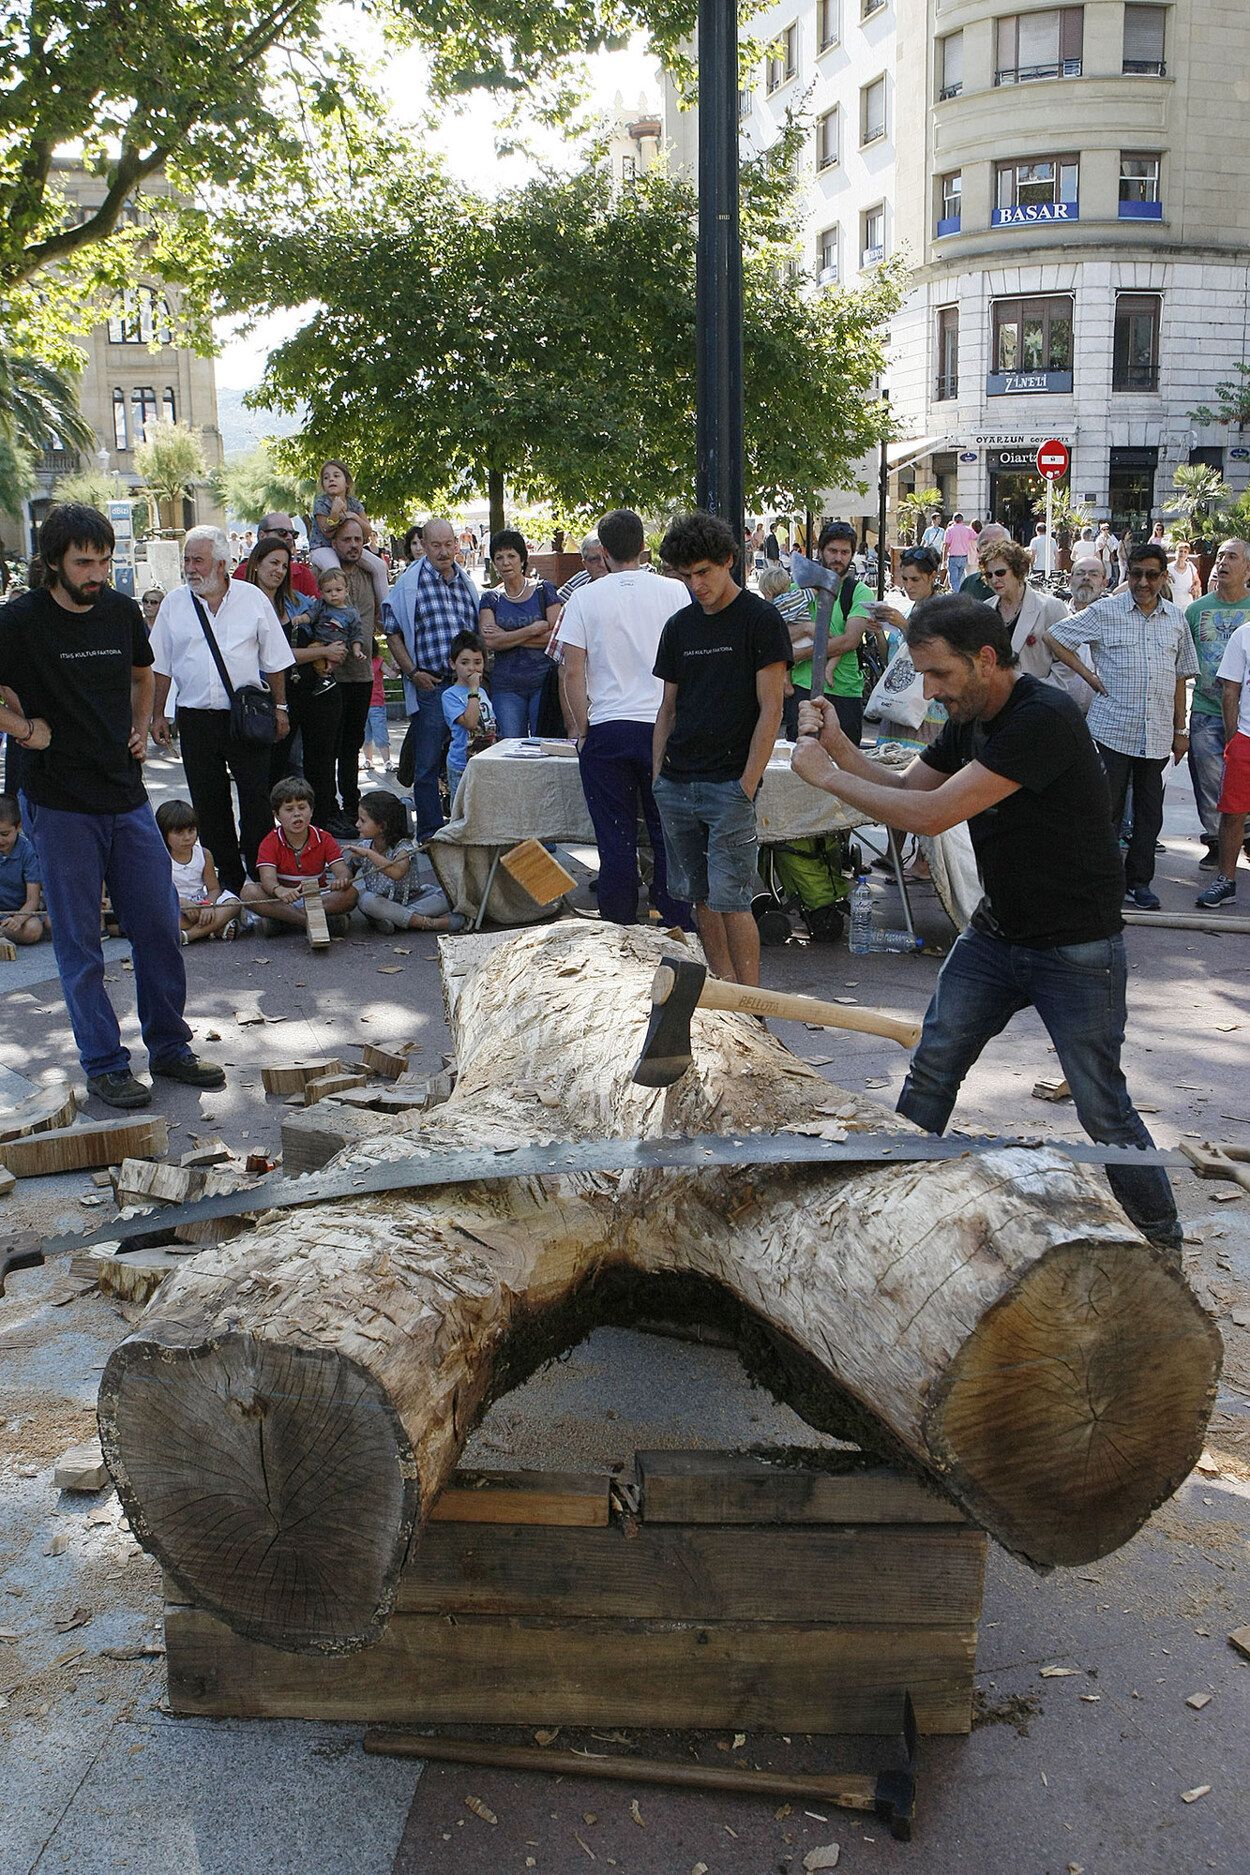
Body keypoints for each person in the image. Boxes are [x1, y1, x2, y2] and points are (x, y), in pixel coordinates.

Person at [789, 592, 1181, 1255]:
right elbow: (909, 791)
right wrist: (837, 745)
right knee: (933, 1069)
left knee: (1102, 1107)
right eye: (924, 674)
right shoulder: (968, 715)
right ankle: (890, 1213)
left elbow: (933, 815)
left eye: (940, 674)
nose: (930, 691)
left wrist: (827, 777)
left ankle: (1162, 1241)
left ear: (987, 659)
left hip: (1076, 945)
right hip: (997, 933)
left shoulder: (1042, 718)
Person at [0, 504, 224, 1107]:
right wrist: (24, 730)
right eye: (83, 563)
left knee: (159, 926)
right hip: (58, 802)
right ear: (54, 562)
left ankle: (170, 1048)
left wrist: (140, 724)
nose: (96, 574)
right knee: (80, 943)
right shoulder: (19, 621)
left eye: (103, 561)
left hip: (126, 797)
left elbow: (141, 673)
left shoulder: (122, 611)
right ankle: (104, 1064)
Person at [650, 511, 790, 986]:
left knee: (733, 900)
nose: (696, 585)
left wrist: (746, 784)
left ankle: (751, 1006)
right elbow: (667, 708)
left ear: (729, 560)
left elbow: (772, 708)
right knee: (701, 898)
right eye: (686, 575)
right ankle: (727, 996)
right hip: (678, 780)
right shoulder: (679, 626)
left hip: (730, 783)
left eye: (704, 572)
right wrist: (658, 776)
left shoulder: (760, 619)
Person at [1046, 541, 1199, 911]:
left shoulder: (1176, 619)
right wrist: (1089, 676)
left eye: (1151, 575)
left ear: (1164, 578)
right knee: (1105, 812)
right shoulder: (1105, 610)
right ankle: (1102, 883)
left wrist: (1181, 730)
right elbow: (1056, 637)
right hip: (1111, 729)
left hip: (1157, 733)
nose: (1143, 582)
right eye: (1136, 574)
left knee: (1149, 815)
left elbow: (1181, 675)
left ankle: (1139, 883)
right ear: (1127, 574)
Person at [559, 508, 693, 928]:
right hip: (663, 725)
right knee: (667, 834)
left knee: (614, 838)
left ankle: (617, 927)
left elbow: (572, 672)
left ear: (602, 551)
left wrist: (582, 729)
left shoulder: (584, 597)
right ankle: (676, 924)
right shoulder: (675, 591)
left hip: (608, 727)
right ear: (643, 547)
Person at [151, 527, 295, 893]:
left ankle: (262, 880)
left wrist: (280, 707)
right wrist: (157, 714)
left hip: (245, 717)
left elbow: (276, 659)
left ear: (221, 564)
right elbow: (160, 665)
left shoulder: (252, 599)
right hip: (196, 718)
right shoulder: (174, 604)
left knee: (256, 800)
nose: (190, 568)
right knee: (209, 804)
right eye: (187, 559)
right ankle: (227, 884)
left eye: (197, 560)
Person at [384, 516, 479, 840]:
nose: (443, 551)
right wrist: (413, 673)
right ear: (423, 545)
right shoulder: (410, 583)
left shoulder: (465, 582)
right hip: (432, 685)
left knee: (468, 756)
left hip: (465, 686)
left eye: (448, 544)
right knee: (425, 764)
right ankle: (429, 833)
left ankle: (467, 826)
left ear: (456, 543)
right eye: (435, 545)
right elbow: (392, 631)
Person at [789, 521, 886, 746]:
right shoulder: (799, 589)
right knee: (801, 759)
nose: (838, 558)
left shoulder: (858, 591)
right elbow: (780, 635)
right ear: (821, 551)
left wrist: (799, 654)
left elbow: (849, 641)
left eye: (845, 552)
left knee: (845, 762)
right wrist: (805, 628)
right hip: (803, 688)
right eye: (832, 551)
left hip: (844, 692)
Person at [1186, 539, 1250, 870]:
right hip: (1206, 709)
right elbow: (1183, 659)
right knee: (1209, 780)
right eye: (1221, 556)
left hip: (1246, 717)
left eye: (1232, 557)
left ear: (1248, 569)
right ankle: (1215, 840)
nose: (1223, 562)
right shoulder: (1195, 610)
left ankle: (1244, 835)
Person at [241, 776, 357, 936]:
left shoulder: (324, 838)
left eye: (302, 807)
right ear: (277, 815)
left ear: (311, 810)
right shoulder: (269, 842)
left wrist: (342, 879)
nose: (297, 814)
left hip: (318, 899)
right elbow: (267, 879)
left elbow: (342, 871)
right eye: (289, 809)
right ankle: (312, 922)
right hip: (284, 901)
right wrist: (279, 890)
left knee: (351, 894)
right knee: (249, 892)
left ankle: (284, 922)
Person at [478, 530, 562, 739]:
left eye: (511, 556)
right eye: (499, 557)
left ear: (522, 559)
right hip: (506, 688)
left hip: (543, 684)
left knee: (543, 743)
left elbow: (557, 636)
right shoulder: (490, 598)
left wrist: (506, 637)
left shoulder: (544, 590)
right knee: (509, 745)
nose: (505, 562)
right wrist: (532, 630)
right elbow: (490, 641)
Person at [340, 788, 462, 932]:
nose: (357, 824)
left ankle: (395, 919)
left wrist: (369, 854)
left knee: (450, 894)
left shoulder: (403, 847)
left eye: (363, 820)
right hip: (381, 902)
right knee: (366, 900)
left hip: (413, 899)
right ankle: (429, 923)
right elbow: (347, 872)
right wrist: (342, 878)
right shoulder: (365, 846)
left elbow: (397, 872)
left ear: (382, 826)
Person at [862, 547, 948, 750]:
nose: (908, 586)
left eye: (915, 579)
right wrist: (878, 633)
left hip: (924, 710)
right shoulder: (909, 610)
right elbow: (890, 660)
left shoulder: (944, 612)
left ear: (932, 576)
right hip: (898, 708)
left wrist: (903, 625)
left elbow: (937, 655)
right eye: (905, 579)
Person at [1194, 613, 1250, 908]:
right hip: (1246, 738)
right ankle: (1226, 881)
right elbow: (1230, 690)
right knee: (1232, 813)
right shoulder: (1244, 634)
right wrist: (1233, 740)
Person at [980, 540, 1075, 689]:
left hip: (1037, 697)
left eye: (1000, 573)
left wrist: (1042, 690)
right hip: (994, 697)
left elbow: (1068, 663)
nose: (994, 579)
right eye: (988, 575)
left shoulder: (1050, 607)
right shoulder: (985, 610)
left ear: (1018, 571)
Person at [155, 798, 242, 942]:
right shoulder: (160, 859)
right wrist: (182, 903)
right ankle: (214, 928)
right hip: (176, 908)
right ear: (164, 834)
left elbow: (213, 889)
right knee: (161, 918)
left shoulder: (204, 854)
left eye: (191, 831)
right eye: (179, 833)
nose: (187, 838)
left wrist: (208, 906)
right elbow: (159, 894)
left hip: (201, 906)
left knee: (234, 902)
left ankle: (189, 935)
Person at [307, 461, 389, 614]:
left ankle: (387, 611)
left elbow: (367, 531)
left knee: (379, 566)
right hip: (322, 547)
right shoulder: (321, 503)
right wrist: (335, 512)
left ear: (347, 483)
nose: (331, 479)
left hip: (347, 547)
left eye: (336, 475)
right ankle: (346, 613)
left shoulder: (354, 504)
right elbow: (326, 531)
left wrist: (354, 517)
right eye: (326, 477)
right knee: (335, 571)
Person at [758, 564, 817, 740]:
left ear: (768, 591)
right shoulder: (798, 595)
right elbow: (814, 592)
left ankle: (787, 683)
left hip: (796, 643)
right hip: (808, 638)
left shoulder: (773, 607)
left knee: (783, 659)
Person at [441, 630, 496, 802]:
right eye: (465, 662)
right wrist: (473, 690)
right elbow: (470, 723)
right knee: (463, 809)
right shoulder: (450, 695)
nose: (472, 668)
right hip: (462, 765)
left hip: (484, 761)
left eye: (477, 662)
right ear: (453, 664)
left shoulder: (482, 692)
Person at [231, 515, 319, 598]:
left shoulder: (302, 574)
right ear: (262, 535)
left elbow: (317, 606)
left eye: (293, 534)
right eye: (282, 532)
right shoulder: (243, 573)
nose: (289, 537)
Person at [0, 793, 44, 945]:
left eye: (4, 834)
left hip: (20, 912)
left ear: (18, 827)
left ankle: (2, 933)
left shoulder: (28, 851)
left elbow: (33, 900)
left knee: (33, 930)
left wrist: (18, 919)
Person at [361, 639, 392, 773]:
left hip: (376, 704)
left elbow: (391, 674)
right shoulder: (358, 661)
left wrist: (396, 666)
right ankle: (368, 760)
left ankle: (387, 761)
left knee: (380, 734)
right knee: (365, 735)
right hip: (363, 704)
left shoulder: (378, 661)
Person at [957, 523, 1008, 598]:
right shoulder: (969, 584)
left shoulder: (1016, 582)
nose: (990, 547)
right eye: (985, 544)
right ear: (978, 551)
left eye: (996, 543)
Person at [557, 534, 608, 604]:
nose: (602, 564)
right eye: (594, 559)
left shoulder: (623, 580)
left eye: (607, 557)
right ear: (585, 564)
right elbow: (557, 605)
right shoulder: (577, 584)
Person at [941, 513, 977, 593]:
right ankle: (960, 594)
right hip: (963, 557)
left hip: (953, 557)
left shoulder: (950, 530)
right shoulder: (967, 529)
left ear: (953, 520)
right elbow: (976, 537)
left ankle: (958, 595)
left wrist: (944, 559)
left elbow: (946, 545)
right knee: (959, 579)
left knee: (953, 580)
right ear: (962, 520)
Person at [1168, 539, 1202, 607]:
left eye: (1185, 552)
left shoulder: (1191, 567)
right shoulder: (1168, 568)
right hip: (1172, 604)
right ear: (1176, 552)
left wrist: (1195, 587)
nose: (1182, 554)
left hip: (1188, 604)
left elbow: (1197, 581)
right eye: (1180, 551)